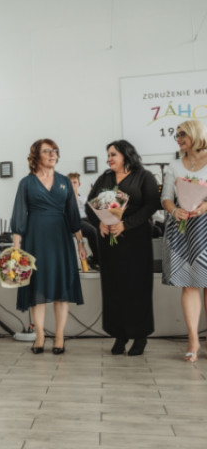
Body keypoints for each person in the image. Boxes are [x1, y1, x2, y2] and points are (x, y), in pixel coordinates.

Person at [11, 139, 86, 355]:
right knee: (38, 287)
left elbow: (73, 216)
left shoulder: (64, 181)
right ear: (36, 156)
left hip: (61, 239)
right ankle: (40, 335)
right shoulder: (26, 183)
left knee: (62, 288)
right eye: (47, 151)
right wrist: (16, 249)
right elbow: (19, 215)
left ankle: (60, 336)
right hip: (34, 239)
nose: (53, 154)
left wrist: (80, 243)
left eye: (55, 151)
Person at [85, 140, 159, 356]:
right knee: (114, 289)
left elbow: (151, 205)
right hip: (110, 242)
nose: (109, 158)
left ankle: (140, 336)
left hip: (136, 241)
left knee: (137, 289)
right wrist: (99, 222)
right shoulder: (105, 178)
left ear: (126, 155)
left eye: (113, 154)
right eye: (108, 155)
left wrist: (126, 224)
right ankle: (120, 335)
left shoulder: (144, 176)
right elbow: (90, 204)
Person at [161, 120, 207, 362]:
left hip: (205, 226)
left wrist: (205, 206)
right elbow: (166, 197)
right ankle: (193, 340)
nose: (178, 139)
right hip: (183, 227)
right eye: (176, 135)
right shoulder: (174, 165)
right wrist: (173, 210)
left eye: (182, 134)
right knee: (189, 284)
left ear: (194, 134)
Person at [67, 172, 100, 270]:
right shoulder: (64, 199)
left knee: (102, 228)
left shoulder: (85, 198)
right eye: (70, 183)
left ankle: (94, 258)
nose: (72, 185)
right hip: (75, 221)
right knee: (92, 230)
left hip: (88, 220)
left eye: (74, 182)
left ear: (79, 184)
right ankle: (97, 261)